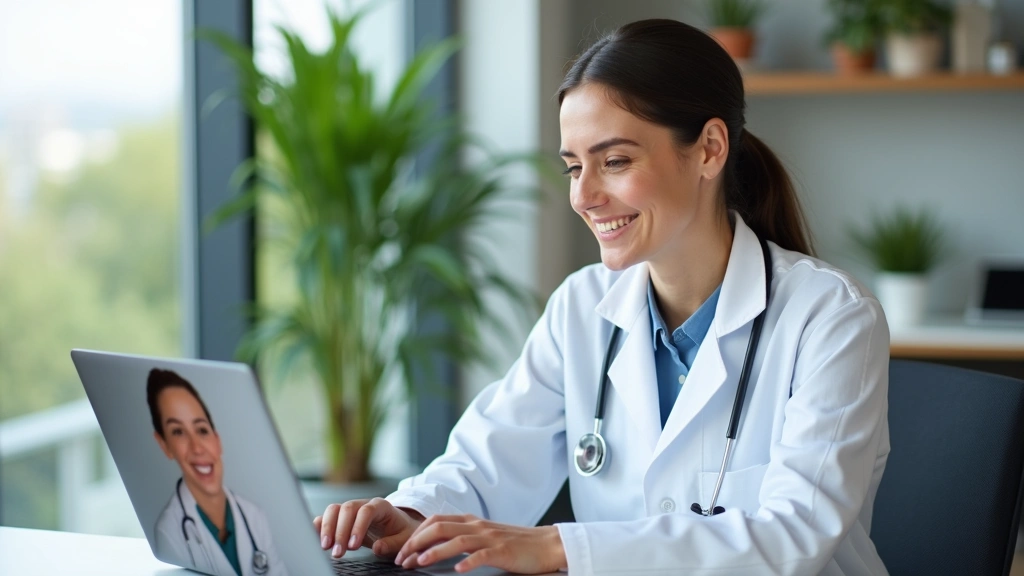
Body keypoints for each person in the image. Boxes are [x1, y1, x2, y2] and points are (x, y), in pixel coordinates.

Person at [314, 18, 890, 576]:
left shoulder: (830, 317)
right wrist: (412, 513)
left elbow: (791, 538)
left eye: (614, 161)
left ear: (711, 149)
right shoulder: (582, 306)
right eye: (572, 167)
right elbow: (489, 459)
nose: (585, 196)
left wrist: (559, 549)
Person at [149, 368, 289, 576]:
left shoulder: (254, 516)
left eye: (202, 430)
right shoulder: (169, 532)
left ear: (217, 440)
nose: (197, 448)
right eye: (178, 432)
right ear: (165, 445)